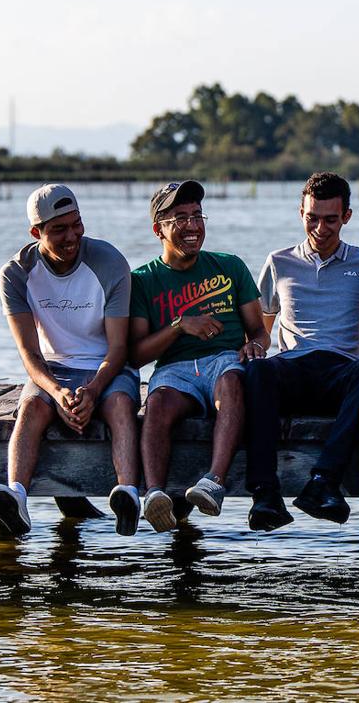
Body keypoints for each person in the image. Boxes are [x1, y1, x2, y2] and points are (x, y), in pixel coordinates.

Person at [243, 172, 359, 531]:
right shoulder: (279, 261)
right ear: (301, 213)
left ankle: (323, 481)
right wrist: (253, 345)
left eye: (331, 219)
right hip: (292, 370)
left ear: (347, 216)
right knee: (257, 370)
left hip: (341, 373)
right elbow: (263, 333)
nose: (320, 227)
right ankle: (265, 493)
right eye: (312, 217)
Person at [0, 184, 141, 536]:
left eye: (77, 224)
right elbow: (29, 353)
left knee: (119, 403)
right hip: (54, 369)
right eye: (59, 229)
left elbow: (119, 349)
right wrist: (58, 393)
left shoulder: (109, 261)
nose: (72, 235)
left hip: (107, 365)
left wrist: (92, 390)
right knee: (30, 408)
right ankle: (17, 496)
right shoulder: (14, 274)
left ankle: (128, 494)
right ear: (36, 232)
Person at [129, 180, 270, 532]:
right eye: (180, 218)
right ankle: (155, 495)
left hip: (223, 360)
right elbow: (135, 355)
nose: (192, 226)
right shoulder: (142, 281)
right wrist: (179, 326)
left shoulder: (230, 266)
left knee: (233, 380)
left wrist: (257, 347)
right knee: (157, 404)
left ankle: (214, 483)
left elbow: (259, 331)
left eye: (197, 216)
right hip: (174, 371)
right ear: (157, 229)